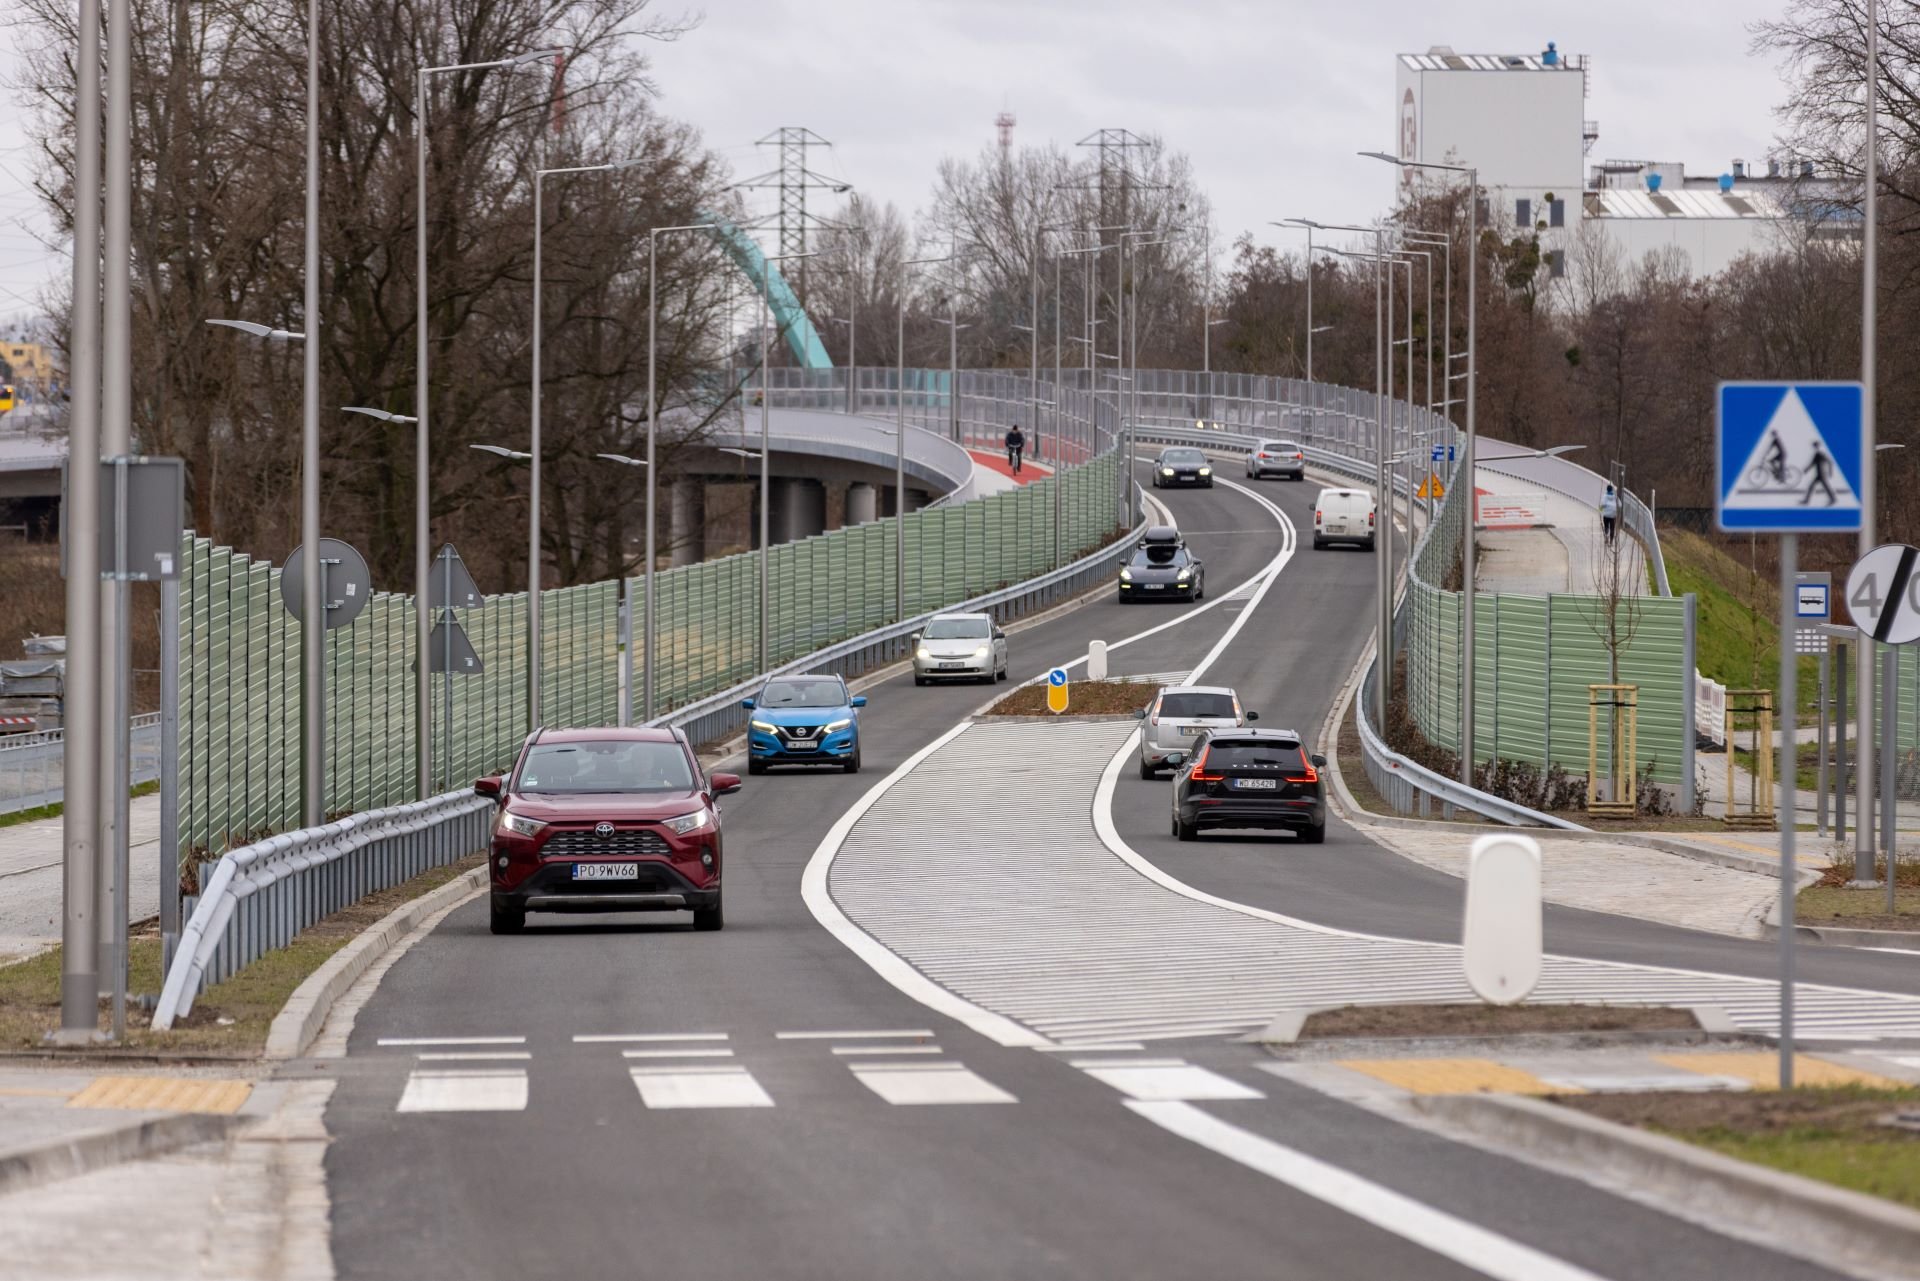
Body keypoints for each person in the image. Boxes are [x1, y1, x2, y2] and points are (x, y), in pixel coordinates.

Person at [1803, 441, 1837, 507]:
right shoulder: (1817, 454)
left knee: (1825, 487)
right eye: (1814, 447)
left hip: (1822, 474)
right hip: (1819, 474)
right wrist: (1806, 469)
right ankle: (1806, 501)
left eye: (1815, 446)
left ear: (1818, 446)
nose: (1814, 448)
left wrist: (1831, 472)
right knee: (1811, 486)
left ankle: (1833, 499)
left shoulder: (1821, 454)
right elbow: (1813, 463)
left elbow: (1830, 462)